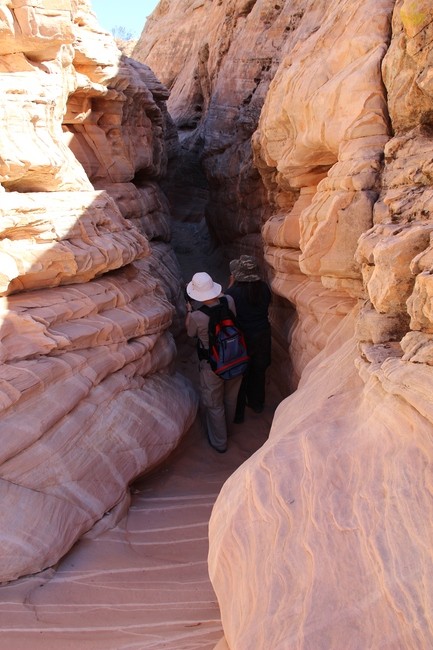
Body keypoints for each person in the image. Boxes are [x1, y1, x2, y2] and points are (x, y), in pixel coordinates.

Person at [185, 272, 243, 453]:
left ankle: (220, 443)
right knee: (231, 398)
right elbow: (227, 308)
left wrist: (188, 311)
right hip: (236, 357)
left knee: (214, 404)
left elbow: (190, 333)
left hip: (212, 365)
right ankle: (229, 430)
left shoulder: (197, 316)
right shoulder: (229, 301)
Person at [225, 255, 272, 423]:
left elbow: (225, 306)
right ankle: (257, 404)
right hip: (262, 335)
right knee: (259, 371)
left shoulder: (233, 293)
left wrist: (231, 284)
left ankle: (238, 414)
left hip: (242, 338)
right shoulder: (264, 289)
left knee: (241, 375)